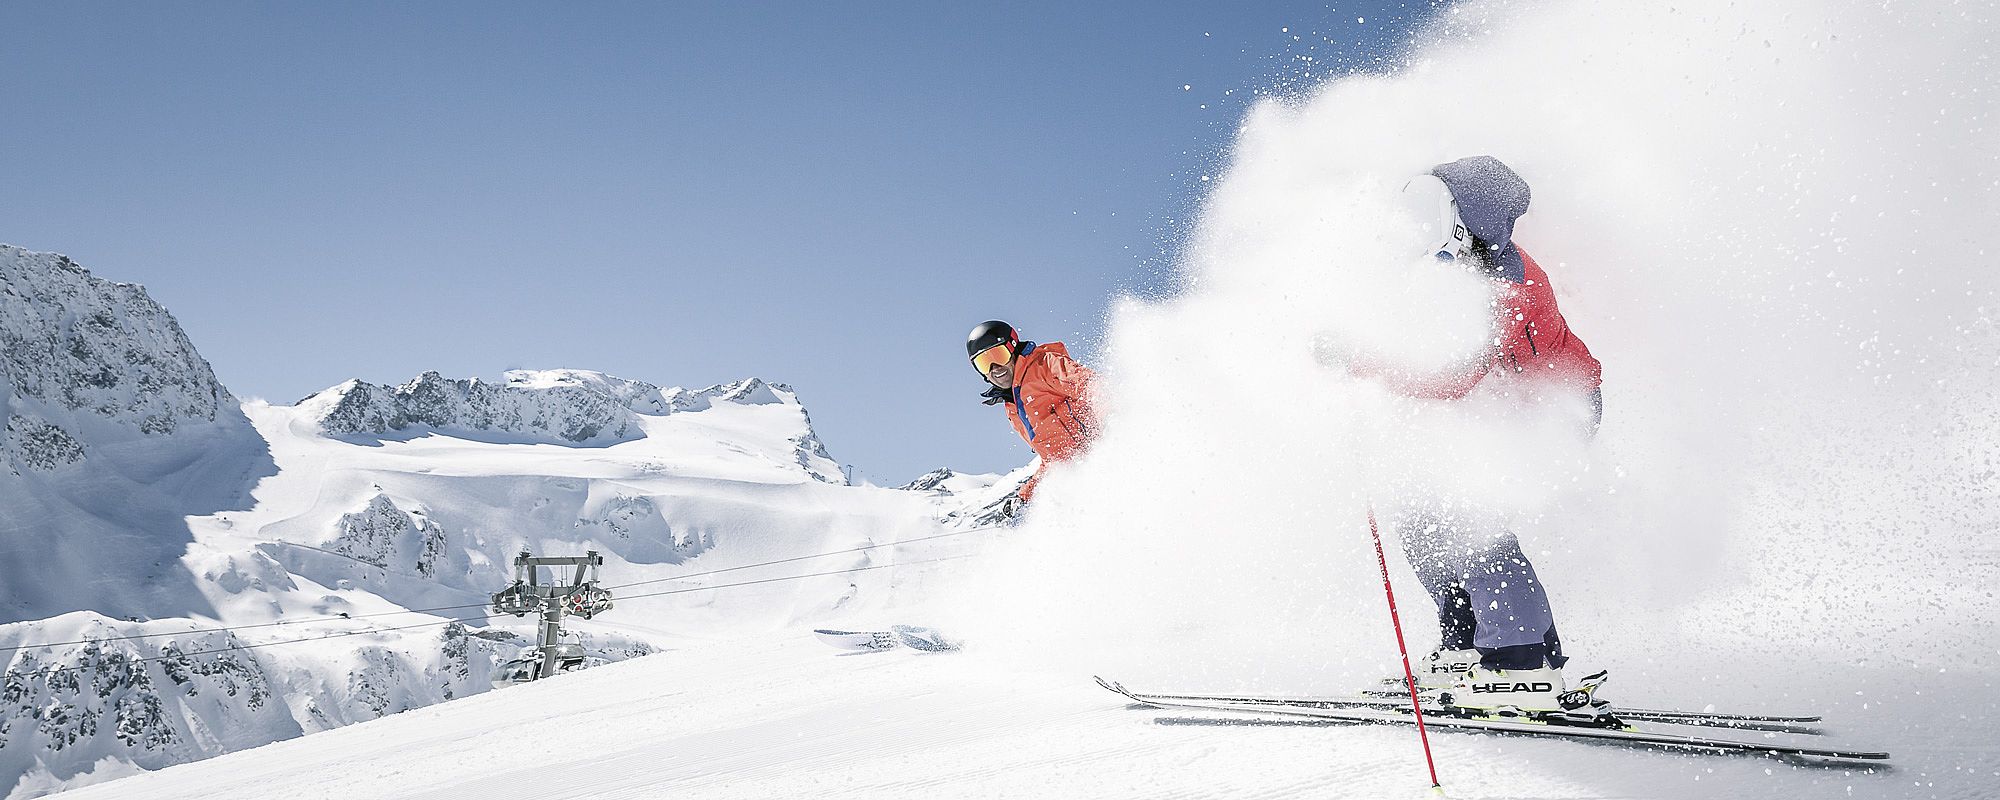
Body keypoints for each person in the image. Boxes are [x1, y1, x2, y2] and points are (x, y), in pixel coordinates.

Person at [1353, 156, 1604, 715]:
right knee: (1421, 513)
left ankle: (1521, 656)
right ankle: (1466, 640)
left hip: (1558, 407)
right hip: (1501, 401)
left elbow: (1452, 377)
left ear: (1466, 223)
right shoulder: (1453, 265)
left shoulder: (1508, 284)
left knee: (1473, 516)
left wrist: (1361, 361)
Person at [965, 320, 1099, 513]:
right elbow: (1053, 459)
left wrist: (1114, 420)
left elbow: (1090, 385)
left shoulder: (1044, 365)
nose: (995, 368)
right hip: (1082, 481)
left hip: (1102, 455)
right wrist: (1026, 495)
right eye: (984, 363)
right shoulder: (1013, 408)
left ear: (1012, 347)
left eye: (998, 355)